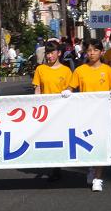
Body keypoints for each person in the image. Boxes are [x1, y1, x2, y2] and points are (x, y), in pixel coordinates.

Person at [63, 38, 111, 192]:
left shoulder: (108, 70)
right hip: (84, 113)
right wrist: (67, 92)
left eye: (95, 50)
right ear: (85, 53)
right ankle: (91, 168)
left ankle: (98, 178)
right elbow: (71, 86)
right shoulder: (80, 70)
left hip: (101, 113)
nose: (92, 53)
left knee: (101, 145)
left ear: (101, 52)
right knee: (88, 144)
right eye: (89, 50)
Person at [32, 40, 72, 181]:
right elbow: (37, 88)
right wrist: (37, 104)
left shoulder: (66, 71)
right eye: (47, 53)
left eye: (52, 53)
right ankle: (51, 162)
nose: (49, 56)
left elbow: (70, 88)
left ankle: (57, 166)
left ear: (59, 53)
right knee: (46, 135)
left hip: (60, 109)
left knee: (59, 136)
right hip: (45, 109)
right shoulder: (40, 69)